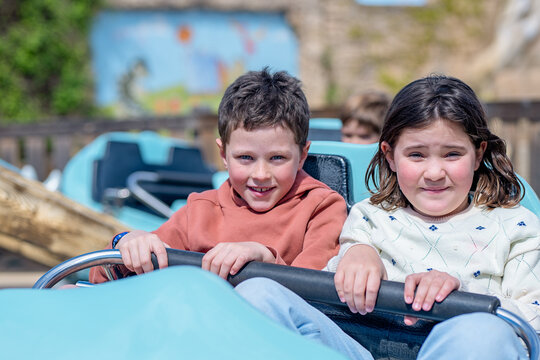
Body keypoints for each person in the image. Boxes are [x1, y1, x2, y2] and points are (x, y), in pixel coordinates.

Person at [236, 75, 540, 360]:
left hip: (460, 346)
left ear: (477, 154)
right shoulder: (370, 217)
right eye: (416, 155)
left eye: (452, 154)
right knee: (258, 292)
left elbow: (533, 319)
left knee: (482, 333)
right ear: (390, 156)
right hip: (360, 348)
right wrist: (353, 255)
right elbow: (324, 301)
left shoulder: (515, 227)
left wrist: (465, 302)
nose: (434, 173)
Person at [89, 68, 347, 283]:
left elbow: (319, 294)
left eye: (277, 158)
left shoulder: (322, 207)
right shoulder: (200, 211)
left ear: (302, 155)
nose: (260, 174)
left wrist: (265, 260)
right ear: (223, 154)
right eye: (245, 158)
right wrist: (127, 243)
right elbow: (101, 277)